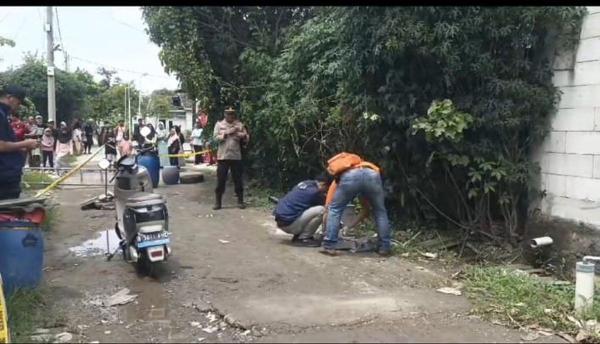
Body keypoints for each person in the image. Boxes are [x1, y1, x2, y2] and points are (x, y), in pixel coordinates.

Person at [320, 153, 392, 257]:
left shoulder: (337, 181)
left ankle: (329, 246)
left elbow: (329, 208)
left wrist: (325, 231)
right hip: (373, 175)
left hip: (351, 176)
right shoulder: (363, 165)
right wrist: (350, 226)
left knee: (335, 209)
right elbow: (366, 209)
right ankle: (385, 247)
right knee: (380, 211)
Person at [0, 85, 38, 199]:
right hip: (4, 176)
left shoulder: (4, 114)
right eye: (19, 101)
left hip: (8, 173)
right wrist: (25, 143)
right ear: (9, 97)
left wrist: (20, 148)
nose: (19, 105)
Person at [273, 174, 333, 247]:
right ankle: (304, 238)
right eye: (327, 189)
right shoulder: (315, 192)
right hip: (289, 225)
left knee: (309, 208)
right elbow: (328, 205)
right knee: (322, 210)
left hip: (282, 221)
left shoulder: (305, 183)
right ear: (323, 184)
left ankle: (299, 235)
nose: (326, 191)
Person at [212, 106, 249, 210]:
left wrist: (239, 134)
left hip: (236, 156)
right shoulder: (219, 125)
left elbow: (246, 137)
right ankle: (218, 202)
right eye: (228, 113)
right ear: (225, 114)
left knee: (238, 179)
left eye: (232, 114)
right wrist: (226, 134)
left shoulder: (239, 124)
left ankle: (240, 201)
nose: (230, 115)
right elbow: (215, 138)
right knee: (221, 180)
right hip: (223, 157)